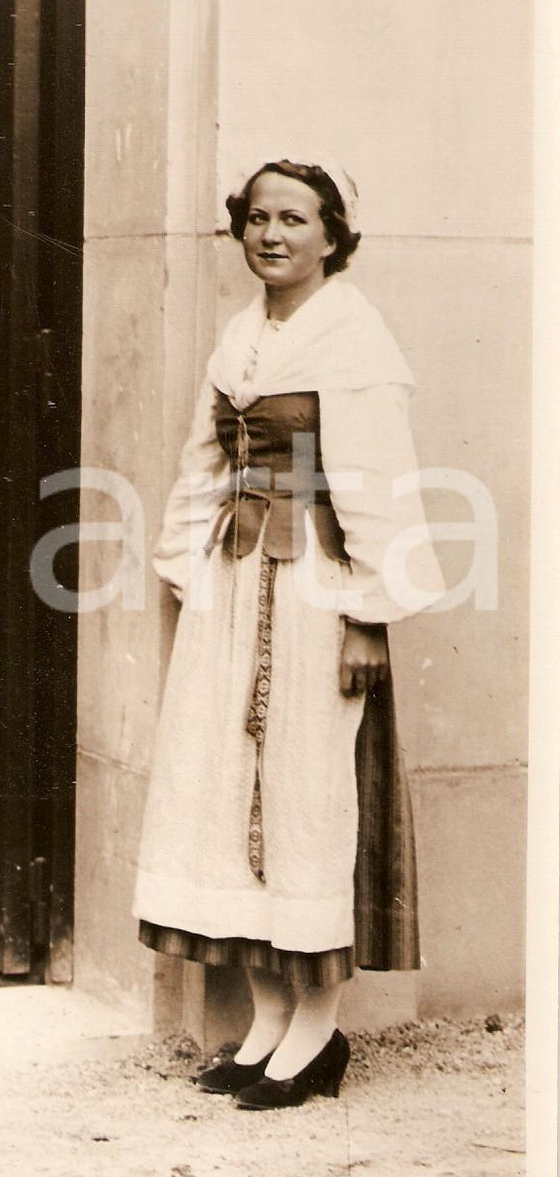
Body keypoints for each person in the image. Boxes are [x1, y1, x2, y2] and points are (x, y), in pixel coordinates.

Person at [132, 155, 444, 1108]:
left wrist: (369, 619)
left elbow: (380, 487)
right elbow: (203, 462)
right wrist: (188, 573)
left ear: (333, 236)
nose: (271, 235)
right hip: (234, 587)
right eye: (257, 218)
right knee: (232, 792)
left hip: (315, 590)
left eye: (295, 219)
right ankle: (268, 1020)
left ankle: (317, 1030)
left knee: (307, 792)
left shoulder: (353, 338)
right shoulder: (241, 337)